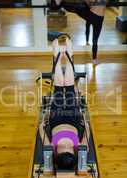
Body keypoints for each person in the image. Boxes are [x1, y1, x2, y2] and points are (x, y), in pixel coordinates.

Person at [39, 38, 89, 169]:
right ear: (74, 154)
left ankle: (57, 56)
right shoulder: (80, 150)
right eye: (69, 149)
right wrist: (86, 123)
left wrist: (41, 125)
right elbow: (86, 135)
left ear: (57, 154)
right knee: (70, 87)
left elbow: (43, 134)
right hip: (73, 120)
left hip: (56, 119)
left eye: (63, 149)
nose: (66, 147)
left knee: (59, 88)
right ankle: (68, 57)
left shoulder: (51, 149)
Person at [54, 0, 107, 65]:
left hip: (94, 16)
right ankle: (94, 59)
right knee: (95, 40)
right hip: (97, 17)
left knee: (77, 9)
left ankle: (61, 3)